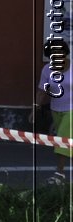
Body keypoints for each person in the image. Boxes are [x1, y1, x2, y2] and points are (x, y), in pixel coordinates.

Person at [39, 39, 71, 182]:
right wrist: (35, 108)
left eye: (59, 52)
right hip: (55, 109)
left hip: (72, 110)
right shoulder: (47, 70)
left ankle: (59, 173)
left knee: (62, 141)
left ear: (65, 52)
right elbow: (41, 91)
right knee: (64, 141)